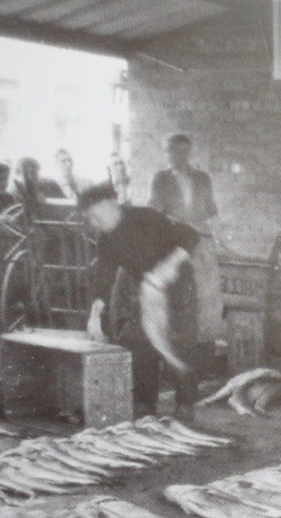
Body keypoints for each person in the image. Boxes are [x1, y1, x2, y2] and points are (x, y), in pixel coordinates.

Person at [79, 183, 200, 418]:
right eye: (89, 218)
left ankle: (186, 403)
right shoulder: (106, 240)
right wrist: (95, 314)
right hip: (147, 289)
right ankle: (145, 403)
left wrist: (167, 267)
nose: (94, 223)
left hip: (178, 285)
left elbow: (190, 236)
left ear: (111, 203)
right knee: (139, 341)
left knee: (181, 341)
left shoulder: (145, 217)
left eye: (95, 215)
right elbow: (103, 279)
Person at [149, 134, 224, 346]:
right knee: (179, 292)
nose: (172, 156)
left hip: (201, 242)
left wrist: (222, 243)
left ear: (187, 153)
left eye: (178, 151)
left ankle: (205, 341)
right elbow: (155, 211)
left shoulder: (202, 179)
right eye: (169, 151)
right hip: (176, 241)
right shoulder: (161, 179)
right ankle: (178, 340)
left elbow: (212, 212)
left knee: (206, 292)